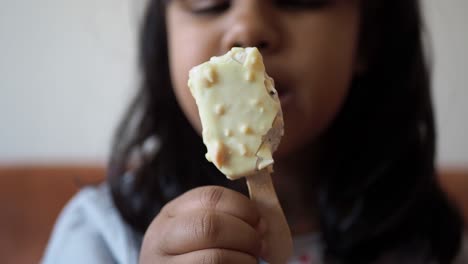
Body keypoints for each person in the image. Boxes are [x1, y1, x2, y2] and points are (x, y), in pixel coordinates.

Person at [42, 0, 466, 263]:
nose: (246, 28)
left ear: (369, 37)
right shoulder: (101, 232)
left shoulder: (433, 241)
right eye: (210, 2)